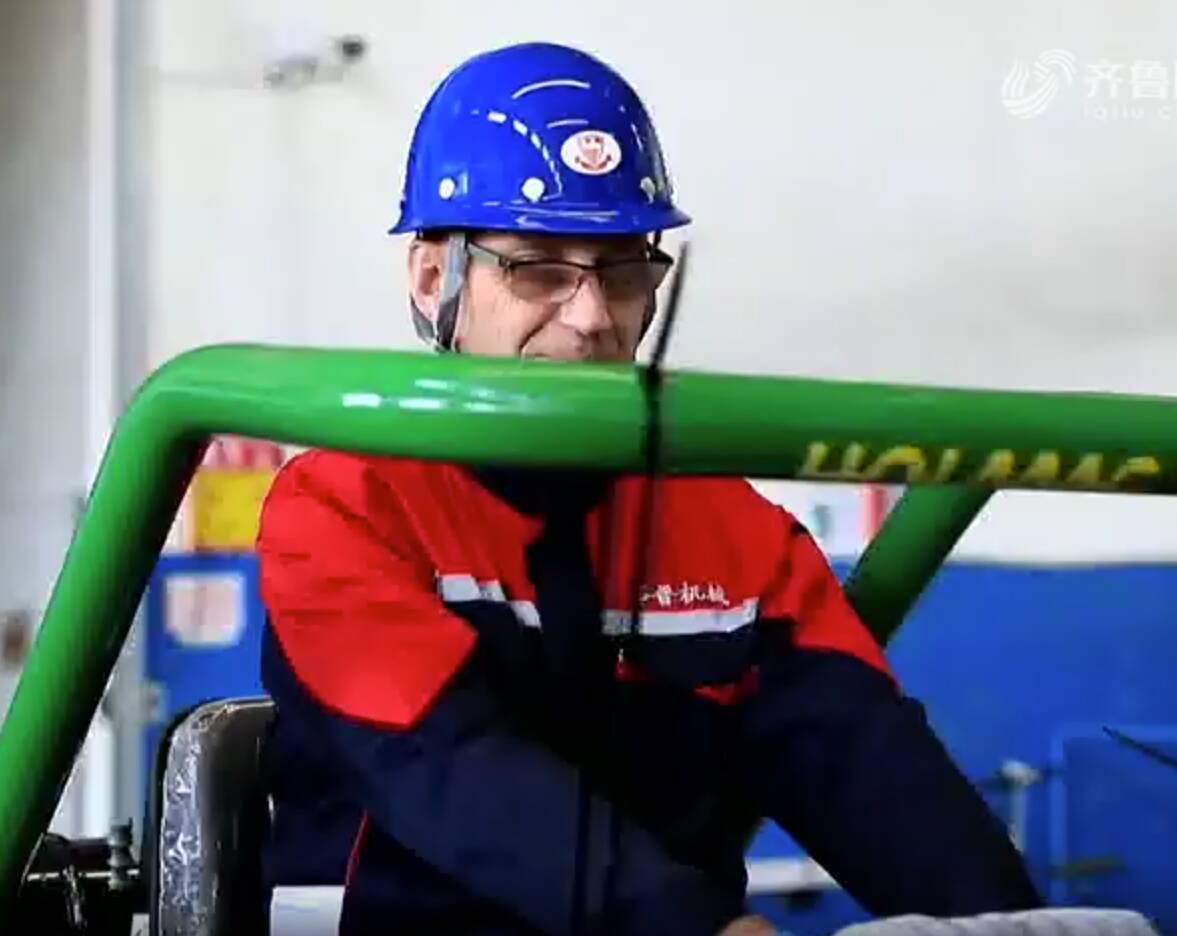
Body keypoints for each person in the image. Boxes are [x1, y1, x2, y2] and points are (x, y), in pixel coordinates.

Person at [256, 41, 1042, 936]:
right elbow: (451, 769)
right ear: (435, 277)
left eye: (624, 271)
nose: (592, 317)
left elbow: (867, 760)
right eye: (539, 269)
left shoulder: (733, 536)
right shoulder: (343, 508)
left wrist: (1014, 925)